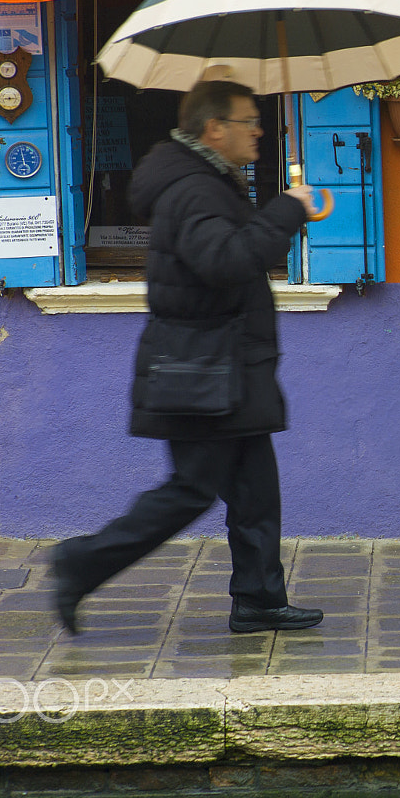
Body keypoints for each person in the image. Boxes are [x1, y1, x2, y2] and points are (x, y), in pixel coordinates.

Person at [50, 79, 323, 635]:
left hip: (227, 369)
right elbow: (224, 262)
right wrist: (285, 211)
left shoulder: (210, 182)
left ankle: (259, 600)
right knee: (190, 491)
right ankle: (80, 563)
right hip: (203, 370)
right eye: (248, 120)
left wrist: (279, 215)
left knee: (255, 493)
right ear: (213, 128)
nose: (259, 130)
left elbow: (230, 256)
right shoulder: (194, 190)